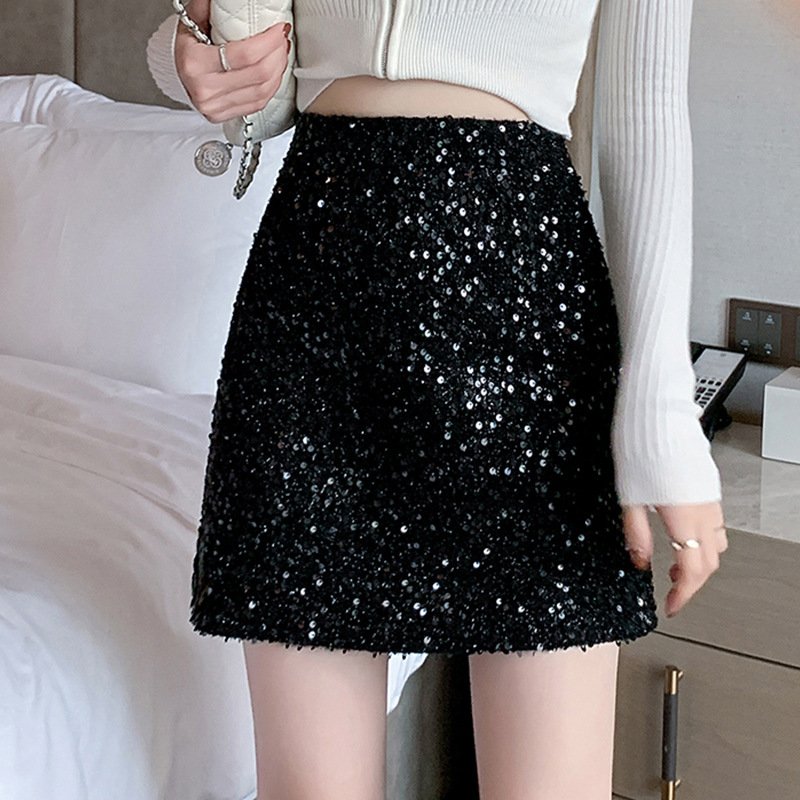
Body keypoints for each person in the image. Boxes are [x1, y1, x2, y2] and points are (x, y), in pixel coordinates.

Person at [145, 1, 729, 797]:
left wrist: (661, 421)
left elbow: (646, 115)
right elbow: (243, 43)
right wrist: (189, 49)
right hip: (314, 301)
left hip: (526, 307)